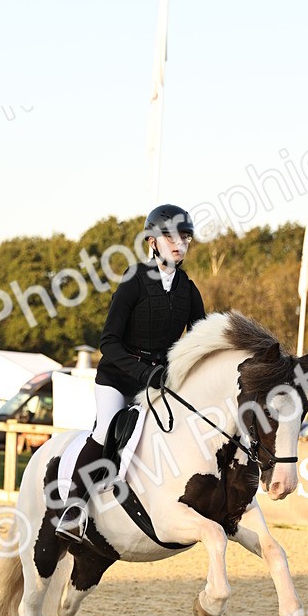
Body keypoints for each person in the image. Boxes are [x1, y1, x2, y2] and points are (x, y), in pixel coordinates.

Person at [55, 204, 206, 542]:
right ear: (153, 242)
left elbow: (198, 345)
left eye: (185, 237)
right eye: (170, 237)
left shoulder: (189, 291)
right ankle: (74, 509)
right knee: (107, 428)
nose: (179, 244)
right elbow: (108, 342)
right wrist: (141, 373)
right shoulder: (134, 281)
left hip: (159, 382)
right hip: (118, 378)